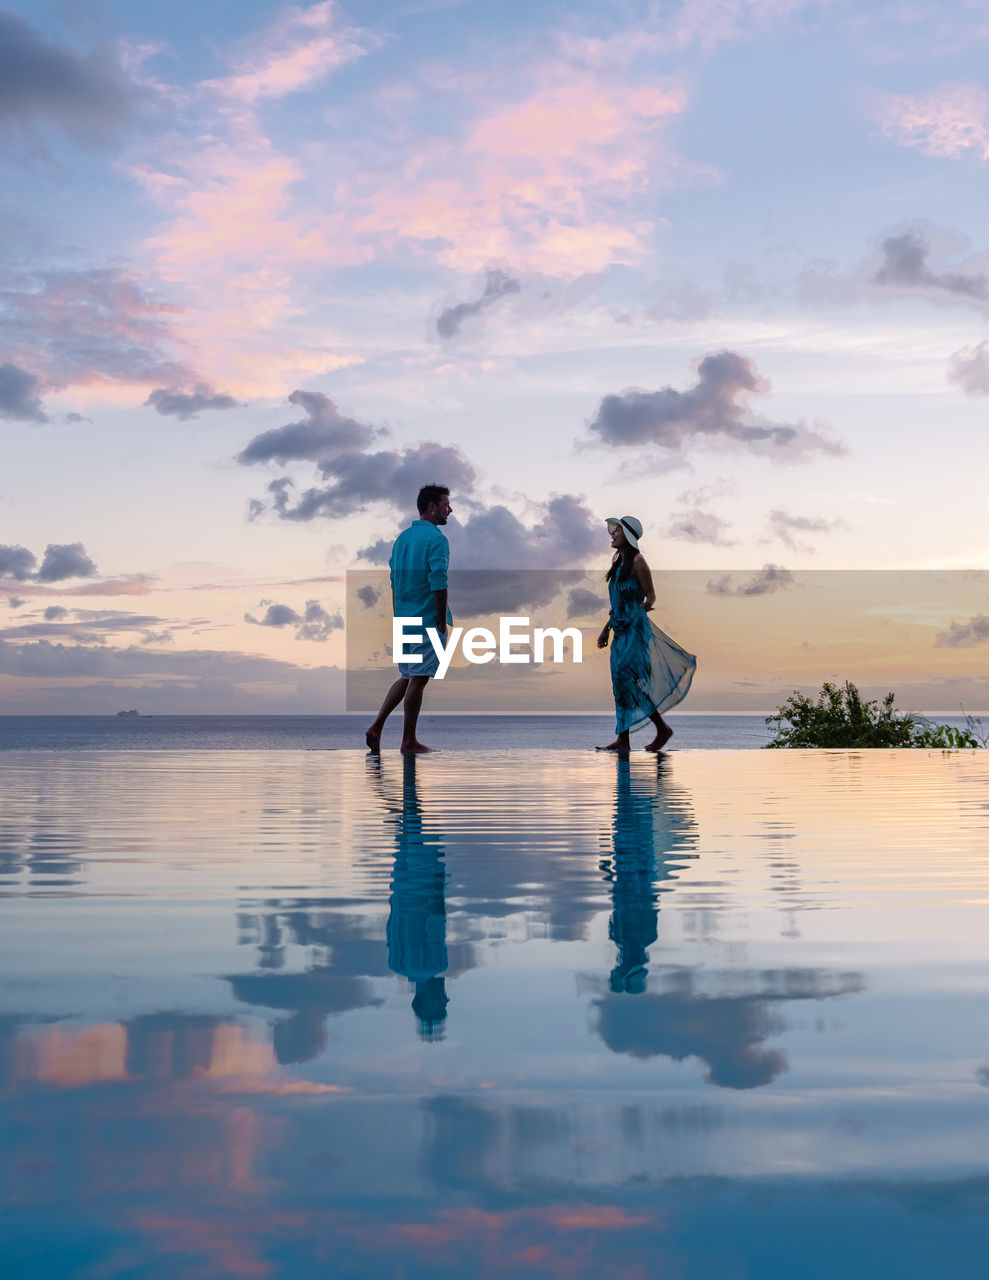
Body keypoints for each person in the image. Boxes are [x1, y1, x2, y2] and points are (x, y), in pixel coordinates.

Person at [365, 483, 453, 754]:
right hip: (426, 618)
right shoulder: (437, 539)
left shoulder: (402, 539)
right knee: (419, 678)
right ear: (432, 506)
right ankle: (408, 741)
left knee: (407, 676)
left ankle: (376, 726)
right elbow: (438, 580)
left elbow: (394, 581)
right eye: (446, 504)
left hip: (404, 617)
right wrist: (440, 619)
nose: (450, 509)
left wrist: (397, 617)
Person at [596, 515, 695, 753]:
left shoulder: (638, 561)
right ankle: (624, 739)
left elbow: (651, 596)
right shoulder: (618, 561)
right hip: (619, 629)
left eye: (617, 530)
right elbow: (616, 603)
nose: (612, 533)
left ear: (627, 536)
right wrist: (606, 628)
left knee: (628, 680)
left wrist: (637, 612)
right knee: (620, 683)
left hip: (635, 629)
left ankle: (661, 729)